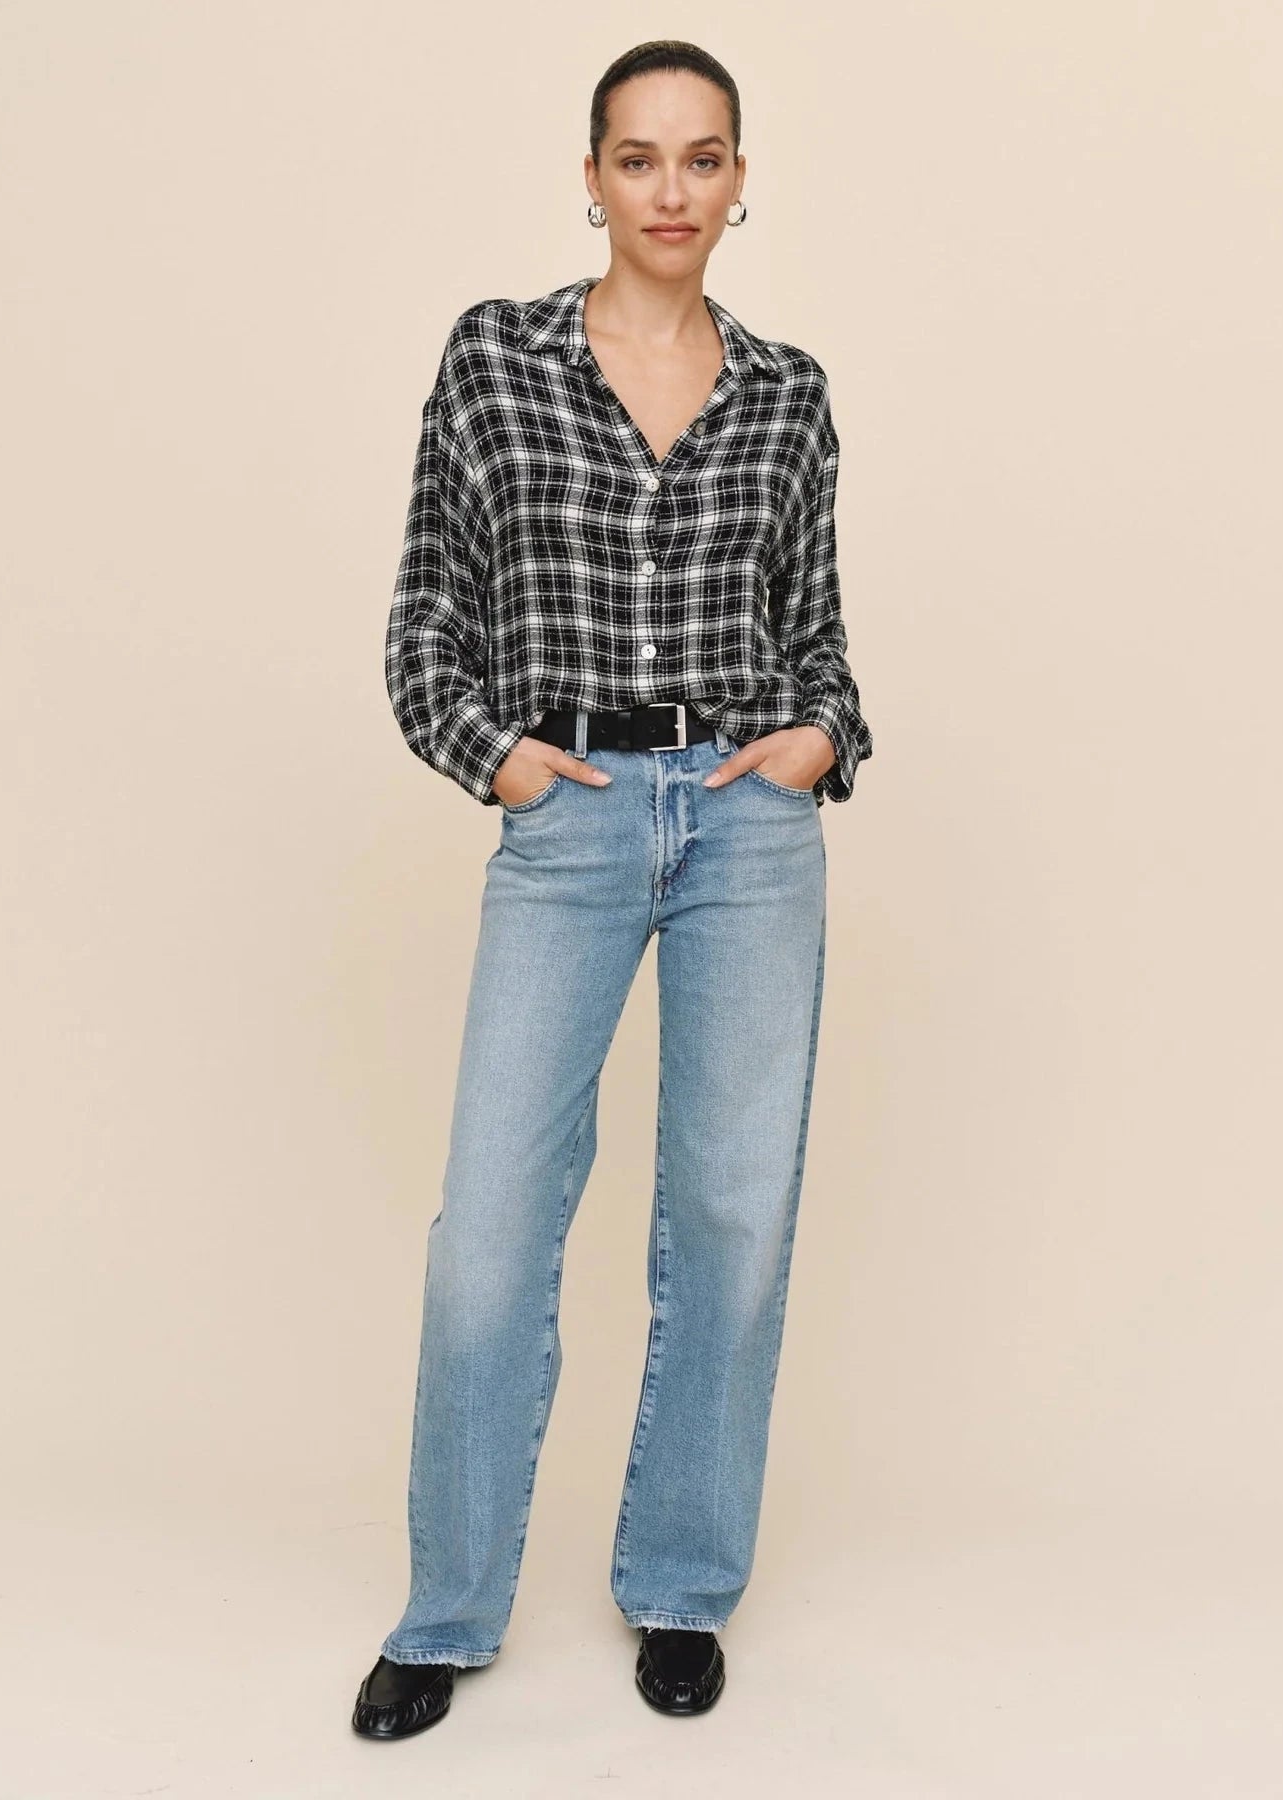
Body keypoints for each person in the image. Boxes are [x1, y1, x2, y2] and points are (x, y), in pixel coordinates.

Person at [352, 38, 873, 1740]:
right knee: (494, 1221)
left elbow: (818, 634)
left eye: (701, 158)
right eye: (638, 159)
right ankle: (447, 1610)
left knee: (732, 1215)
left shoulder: (787, 393)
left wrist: (821, 735)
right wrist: (496, 756)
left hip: (748, 828)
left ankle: (681, 1587)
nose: (670, 190)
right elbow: (425, 612)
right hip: (567, 820)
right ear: (591, 179)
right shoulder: (496, 360)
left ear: (740, 184)